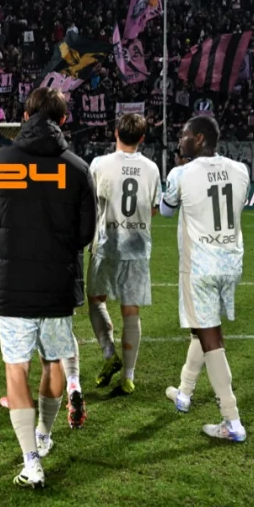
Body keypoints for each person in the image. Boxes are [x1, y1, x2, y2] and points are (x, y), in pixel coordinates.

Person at [0, 87, 96, 489]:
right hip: (56, 283)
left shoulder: (2, 160)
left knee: (17, 369)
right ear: (62, 121)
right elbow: (85, 233)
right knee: (53, 361)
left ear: (26, 115)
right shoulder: (78, 168)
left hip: (13, 285)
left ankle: (31, 461)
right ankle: (44, 435)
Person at [63, 113, 161, 426]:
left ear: (115, 132)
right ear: (142, 138)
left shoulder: (99, 163)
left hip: (105, 244)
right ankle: (128, 377)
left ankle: (109, 353)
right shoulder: (151, 168)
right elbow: (155, 207)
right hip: (137, 246)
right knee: (131, 312)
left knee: (96, 300)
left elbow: (89, 203)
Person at [160, 115, 250, 442]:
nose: (180, 140)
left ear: (198, 139)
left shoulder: (181, 173)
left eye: (184, 135)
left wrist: (178, 170)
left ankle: (231, 419)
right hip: (230, 261)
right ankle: (184, 391)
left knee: (210, 335)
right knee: (203, 326)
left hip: (200, 265)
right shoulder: (241, 170)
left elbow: (167, 210)